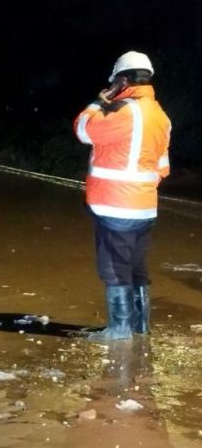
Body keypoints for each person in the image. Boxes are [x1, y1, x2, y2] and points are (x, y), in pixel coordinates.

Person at [74, 51, 171, 341]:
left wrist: (98, 102)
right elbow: (163, 167)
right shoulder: (161, 117)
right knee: (136, 269)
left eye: (115, 82)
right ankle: (140, 328)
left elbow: (83, 130)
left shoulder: (124, 113)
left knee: (114, 270)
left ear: (123, 81)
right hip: (145, 209)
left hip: (116, 207)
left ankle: (119, 331)